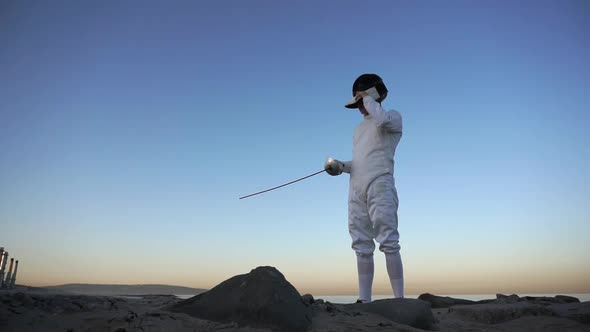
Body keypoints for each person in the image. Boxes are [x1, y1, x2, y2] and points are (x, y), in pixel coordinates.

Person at [324, 73, 404, 303]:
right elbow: (360, 162)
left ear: (373, 96)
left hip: (380, 183)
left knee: (388, 239)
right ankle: (364, 300)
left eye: (361, 101)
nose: (359, 107)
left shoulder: (392, 118)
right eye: (357, 103)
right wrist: (341, 166)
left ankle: (399, 299)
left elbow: (382, 120)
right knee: (361, 243)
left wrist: (369, 98)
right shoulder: (358, 130)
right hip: (356, 186)